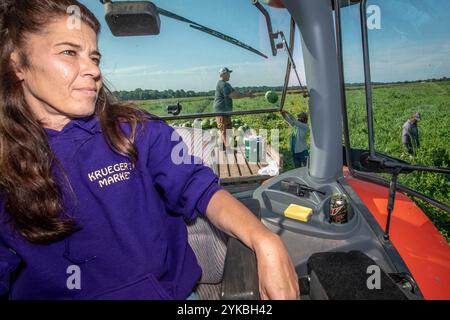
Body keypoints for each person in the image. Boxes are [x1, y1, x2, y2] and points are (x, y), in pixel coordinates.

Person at [0, 0, 298, 300]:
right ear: (18, 64)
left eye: (94, 57)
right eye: (69, 52)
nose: (92, 69)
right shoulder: (5, 164)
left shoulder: (135, 132)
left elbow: (198, 188)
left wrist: (265, 240)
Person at [213, 67, 253, 148]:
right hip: (221, 111)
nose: (229, 75)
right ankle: (228, 150)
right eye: (228, 73)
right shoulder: (223, 84)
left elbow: (235, 92)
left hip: (225, 111)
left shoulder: (226, 84)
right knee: (224, 130)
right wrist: (246, 95)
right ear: (223, 74)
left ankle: (226, 147)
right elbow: (234, 95)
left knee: (227, 129)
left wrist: (246, 93)